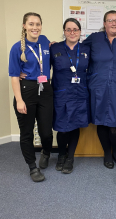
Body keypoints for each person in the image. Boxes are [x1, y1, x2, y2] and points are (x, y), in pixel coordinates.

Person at [9, 12, 53, 182]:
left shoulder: (44, 41)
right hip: (26, 91)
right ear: (24, 26)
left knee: (46, 133)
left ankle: (46, 152)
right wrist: (19, 100)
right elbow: (14, 76)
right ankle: (32, 168)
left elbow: (52, 49)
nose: (35, 27)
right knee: (26, 133)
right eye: (31, 24)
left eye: (38, 24)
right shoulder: (17, 48)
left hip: (46, 90)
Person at [83, 10, 116, 169]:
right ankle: (107, 153)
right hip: (98, 88)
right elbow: (76, 51)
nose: (114, 23)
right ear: (104, 23)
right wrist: (55, 45)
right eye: (110, 20)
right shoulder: (94, 39)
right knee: (101, 121)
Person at [49, 18, 90, 174]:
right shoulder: (54, 48)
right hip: (61, 93)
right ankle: (61, 155)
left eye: (75, 29)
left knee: (74, 126)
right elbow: (42, 68)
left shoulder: (87, 49)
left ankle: (70, 158)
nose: (72, 32)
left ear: (80, 32)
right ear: (64, 32)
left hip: (80, 94)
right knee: (62, 128)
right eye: (68, 29)